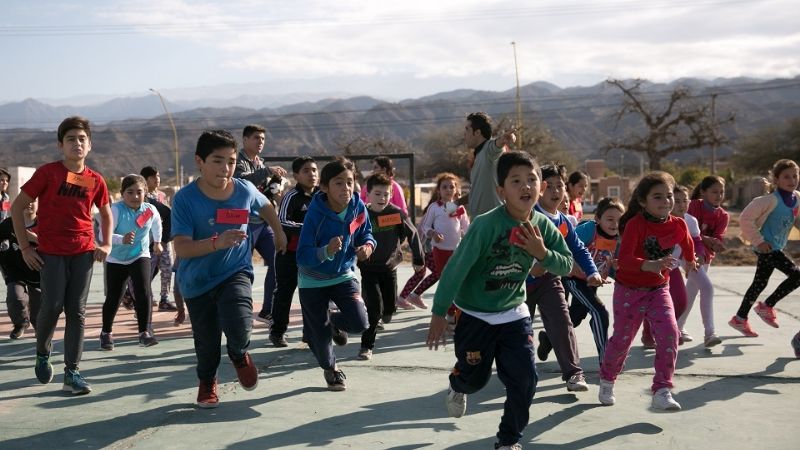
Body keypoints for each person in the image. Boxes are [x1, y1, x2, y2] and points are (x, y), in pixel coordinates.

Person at [426, 151, 572, 450]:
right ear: (501, 191)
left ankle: (507, 441)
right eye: (516, 181)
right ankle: (457, 385)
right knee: (474, 380)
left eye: (531, 179)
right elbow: (455, 269)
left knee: (525, 380)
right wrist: (439, 312)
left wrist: (542, 253)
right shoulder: (485, 225)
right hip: (474, 315)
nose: (525, 186)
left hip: (513, 315)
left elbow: (567, 265)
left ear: (541, 186)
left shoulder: (542, 227)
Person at [171, 129, 287, 408]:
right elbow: (182, 248)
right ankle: (208, 381)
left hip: (234, 272)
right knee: (207, 343)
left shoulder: (244, 189)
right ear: (200, 161)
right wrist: (216, 243)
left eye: (232, 161)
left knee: (240, 326)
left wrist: (279, 232)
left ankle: (238, 354)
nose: (226, 169)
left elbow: (266, 206)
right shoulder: (185, 199)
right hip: (197, 281)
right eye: (218, 161)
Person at [11, 116, 112, 395]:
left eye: (82, 139)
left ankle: (72, 372)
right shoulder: (47, 173)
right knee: (52, 307)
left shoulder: (95, 180)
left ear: (89, 145)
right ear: (60, 145)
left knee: (77, 312)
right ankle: (43, 352)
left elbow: (105, 213)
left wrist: (106, 244)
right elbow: (16, 209)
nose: (77, 143)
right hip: (51, 252)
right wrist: (25, 247)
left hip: (83, 252)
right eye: (71, 139)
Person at [598, 171, 696, 411]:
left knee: (670, 334)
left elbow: (686, 241)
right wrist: (649, 264)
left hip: (658, 289)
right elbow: (627, 258)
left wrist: (691, 260)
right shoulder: (635, 224)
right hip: (629, 290)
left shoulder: (678, 224)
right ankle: (607, 379)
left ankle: (662, 389)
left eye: (669, 196)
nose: (666, 201)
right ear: (643, 201)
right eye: (658, 197)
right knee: (622, 340)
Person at [296, 158, 372, 391]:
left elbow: (366, 233)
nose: (346, 188)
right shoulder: (315, 215)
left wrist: (367, 247)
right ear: (325, 187)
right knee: (319, 339)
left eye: (349, 182)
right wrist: (326, 251)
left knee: (360, 323)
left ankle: (327, 325)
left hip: (343, 276)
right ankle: (332, 370)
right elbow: (302, 255)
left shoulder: (358, 207)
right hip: (312, 281)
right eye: (339, 183)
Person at [528, 163, 593, 392]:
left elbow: (579, 249)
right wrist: (529, 269)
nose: (555, 191)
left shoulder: (564, 221)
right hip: (520, 282)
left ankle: (574, 373)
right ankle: (518, 371)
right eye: (549, 186)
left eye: (560, 186)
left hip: (550, 280)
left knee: (562, 322)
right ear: (539, 187)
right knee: (518, 329)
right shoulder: (527, 214)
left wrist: (592, 271)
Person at [357, 173, 424, 360]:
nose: (382, 198)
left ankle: (387, 312)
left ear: (391, 194)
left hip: (389, 269)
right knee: (374, 309)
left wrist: (418, 258)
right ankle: (366, 346)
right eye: (377, 194)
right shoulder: (362, 215)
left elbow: (413, 234)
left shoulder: (395, 214)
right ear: (367, 194)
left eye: (386, 194)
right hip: (368, 269)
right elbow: (349, 235)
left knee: (387, 310)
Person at [731, 159, 800, 336]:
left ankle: (740, 318)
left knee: (759, 284)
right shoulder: (769, 200)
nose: (792, 180)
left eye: (795, 176)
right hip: (767, 247)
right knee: (797, 275)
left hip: (777, 247)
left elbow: (795, 220)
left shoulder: (797, 198)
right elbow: (745, 218)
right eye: (786, 177)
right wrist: (759, 240)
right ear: (776, 180)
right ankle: (767, 306)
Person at [233, 124, 288, 326]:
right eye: (256, 138)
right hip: (244, 223)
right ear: (245, 140)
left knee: (277, 262)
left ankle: (267, 310)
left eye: (263, 139)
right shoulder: (237, 161)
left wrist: (276, 185)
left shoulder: (260, 163)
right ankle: (242, 313)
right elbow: (241, 181)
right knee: (243, 270)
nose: (260, 142)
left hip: (263, 223)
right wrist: (266, 171)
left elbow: (263, 193)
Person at [100, 174, 163, 350]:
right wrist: (121, 239)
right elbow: (103, 235)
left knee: (144, 291)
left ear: (146, 193)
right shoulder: (116, 210)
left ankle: (144, 332)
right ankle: (106, 333)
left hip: (139, 255)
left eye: (139, 192)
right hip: (116, 258)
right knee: (115, 296)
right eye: (130, 192)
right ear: (122, 193)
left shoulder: (150, 209)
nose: (135, 196)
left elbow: (157, 223)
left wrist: (157, 242)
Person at [563, 197, 624, 360]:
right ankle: (606, 360)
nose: (614, 224)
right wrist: (574, 268)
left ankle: (548, 339)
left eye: (619, 220)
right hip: (574, 279)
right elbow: (567, 246)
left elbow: (610, 264)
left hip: (593, 282)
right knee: (600, 312)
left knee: (575, 317)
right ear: (598, 218)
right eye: (610, 219)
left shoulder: (618, 238)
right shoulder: (590, 229)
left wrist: (615, 269)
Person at [268, 156, 319, 347]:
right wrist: (308, 229)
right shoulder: (291, 197)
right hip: (289, 254)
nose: (312, 174)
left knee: (313, 295)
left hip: (312, 256)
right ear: (296, 176)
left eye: (314, 170)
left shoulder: (322, 196)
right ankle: (277, 332)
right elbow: (282, 222)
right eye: (306, 171)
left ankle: (310, 334)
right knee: (284, 293)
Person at [672, 185, 722, 348]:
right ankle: (672, 329)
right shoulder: (662, 221)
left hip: (688, 259)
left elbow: (697, 241)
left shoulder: (691, 220)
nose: (681, 204)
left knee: (707, 287)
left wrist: (698, 256)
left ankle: (710, 333)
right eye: (677, 201)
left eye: (685, 201)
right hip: (667, 263)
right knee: (673, 298)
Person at [414, 173, 470, 310]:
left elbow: (467, 228)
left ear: (456, 190)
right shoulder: (435, 207)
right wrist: (432, 233)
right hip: (439, 251)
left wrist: (466, 238)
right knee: (445, 281)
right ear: (439, 190)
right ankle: (444, 310)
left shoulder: (460, 208)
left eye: (452, 187)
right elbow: (425, 226)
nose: (448, 190)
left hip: (456, 251)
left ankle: (455, 310)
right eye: (444, 187)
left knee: (457, 280)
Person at [686, 176, 729, 336]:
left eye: (721, 192)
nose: (719, 195)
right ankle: (710, 333)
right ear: (703, 192)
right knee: (706, 288)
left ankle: (677, 327)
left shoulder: (723, 215)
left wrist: (717, 244)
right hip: (686, 255)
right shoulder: (693, 206)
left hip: (705, 258)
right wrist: (705, 239)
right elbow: (686, 230)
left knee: (691, 292)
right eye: (714, 192)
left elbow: (718, 238)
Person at [0, 199, 41, 339]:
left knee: (38, 303)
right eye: (26, 199)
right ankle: (20, 323)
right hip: (14, 269)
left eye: (33, 200)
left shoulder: (45, 223)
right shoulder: (9, 223)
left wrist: (36, 239)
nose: (29, 203)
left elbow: (54, 243)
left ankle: (38, 325)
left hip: (37, 271)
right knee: (15, 295)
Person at [464, 112, 516, 219]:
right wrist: (456, 203)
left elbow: (496, 146)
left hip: (493, 223)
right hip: (479, 224)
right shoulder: (478, 155)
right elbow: (478, 192)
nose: (464, 133)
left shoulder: (488, 150)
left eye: (467, 129)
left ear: (477, 132)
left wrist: (503, 139)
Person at [140, 166, 177, 311]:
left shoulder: (161, 195)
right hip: (148, 241)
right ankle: (141, 299)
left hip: (164, 241)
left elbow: (168, 216)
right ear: (145, 179)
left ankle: (164, 299)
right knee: (146, 272)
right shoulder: (141, 196)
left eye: (159, 176)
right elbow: (141, 220)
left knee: (167, 268)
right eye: (153, 177)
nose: (158, 179)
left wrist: (165, 236)